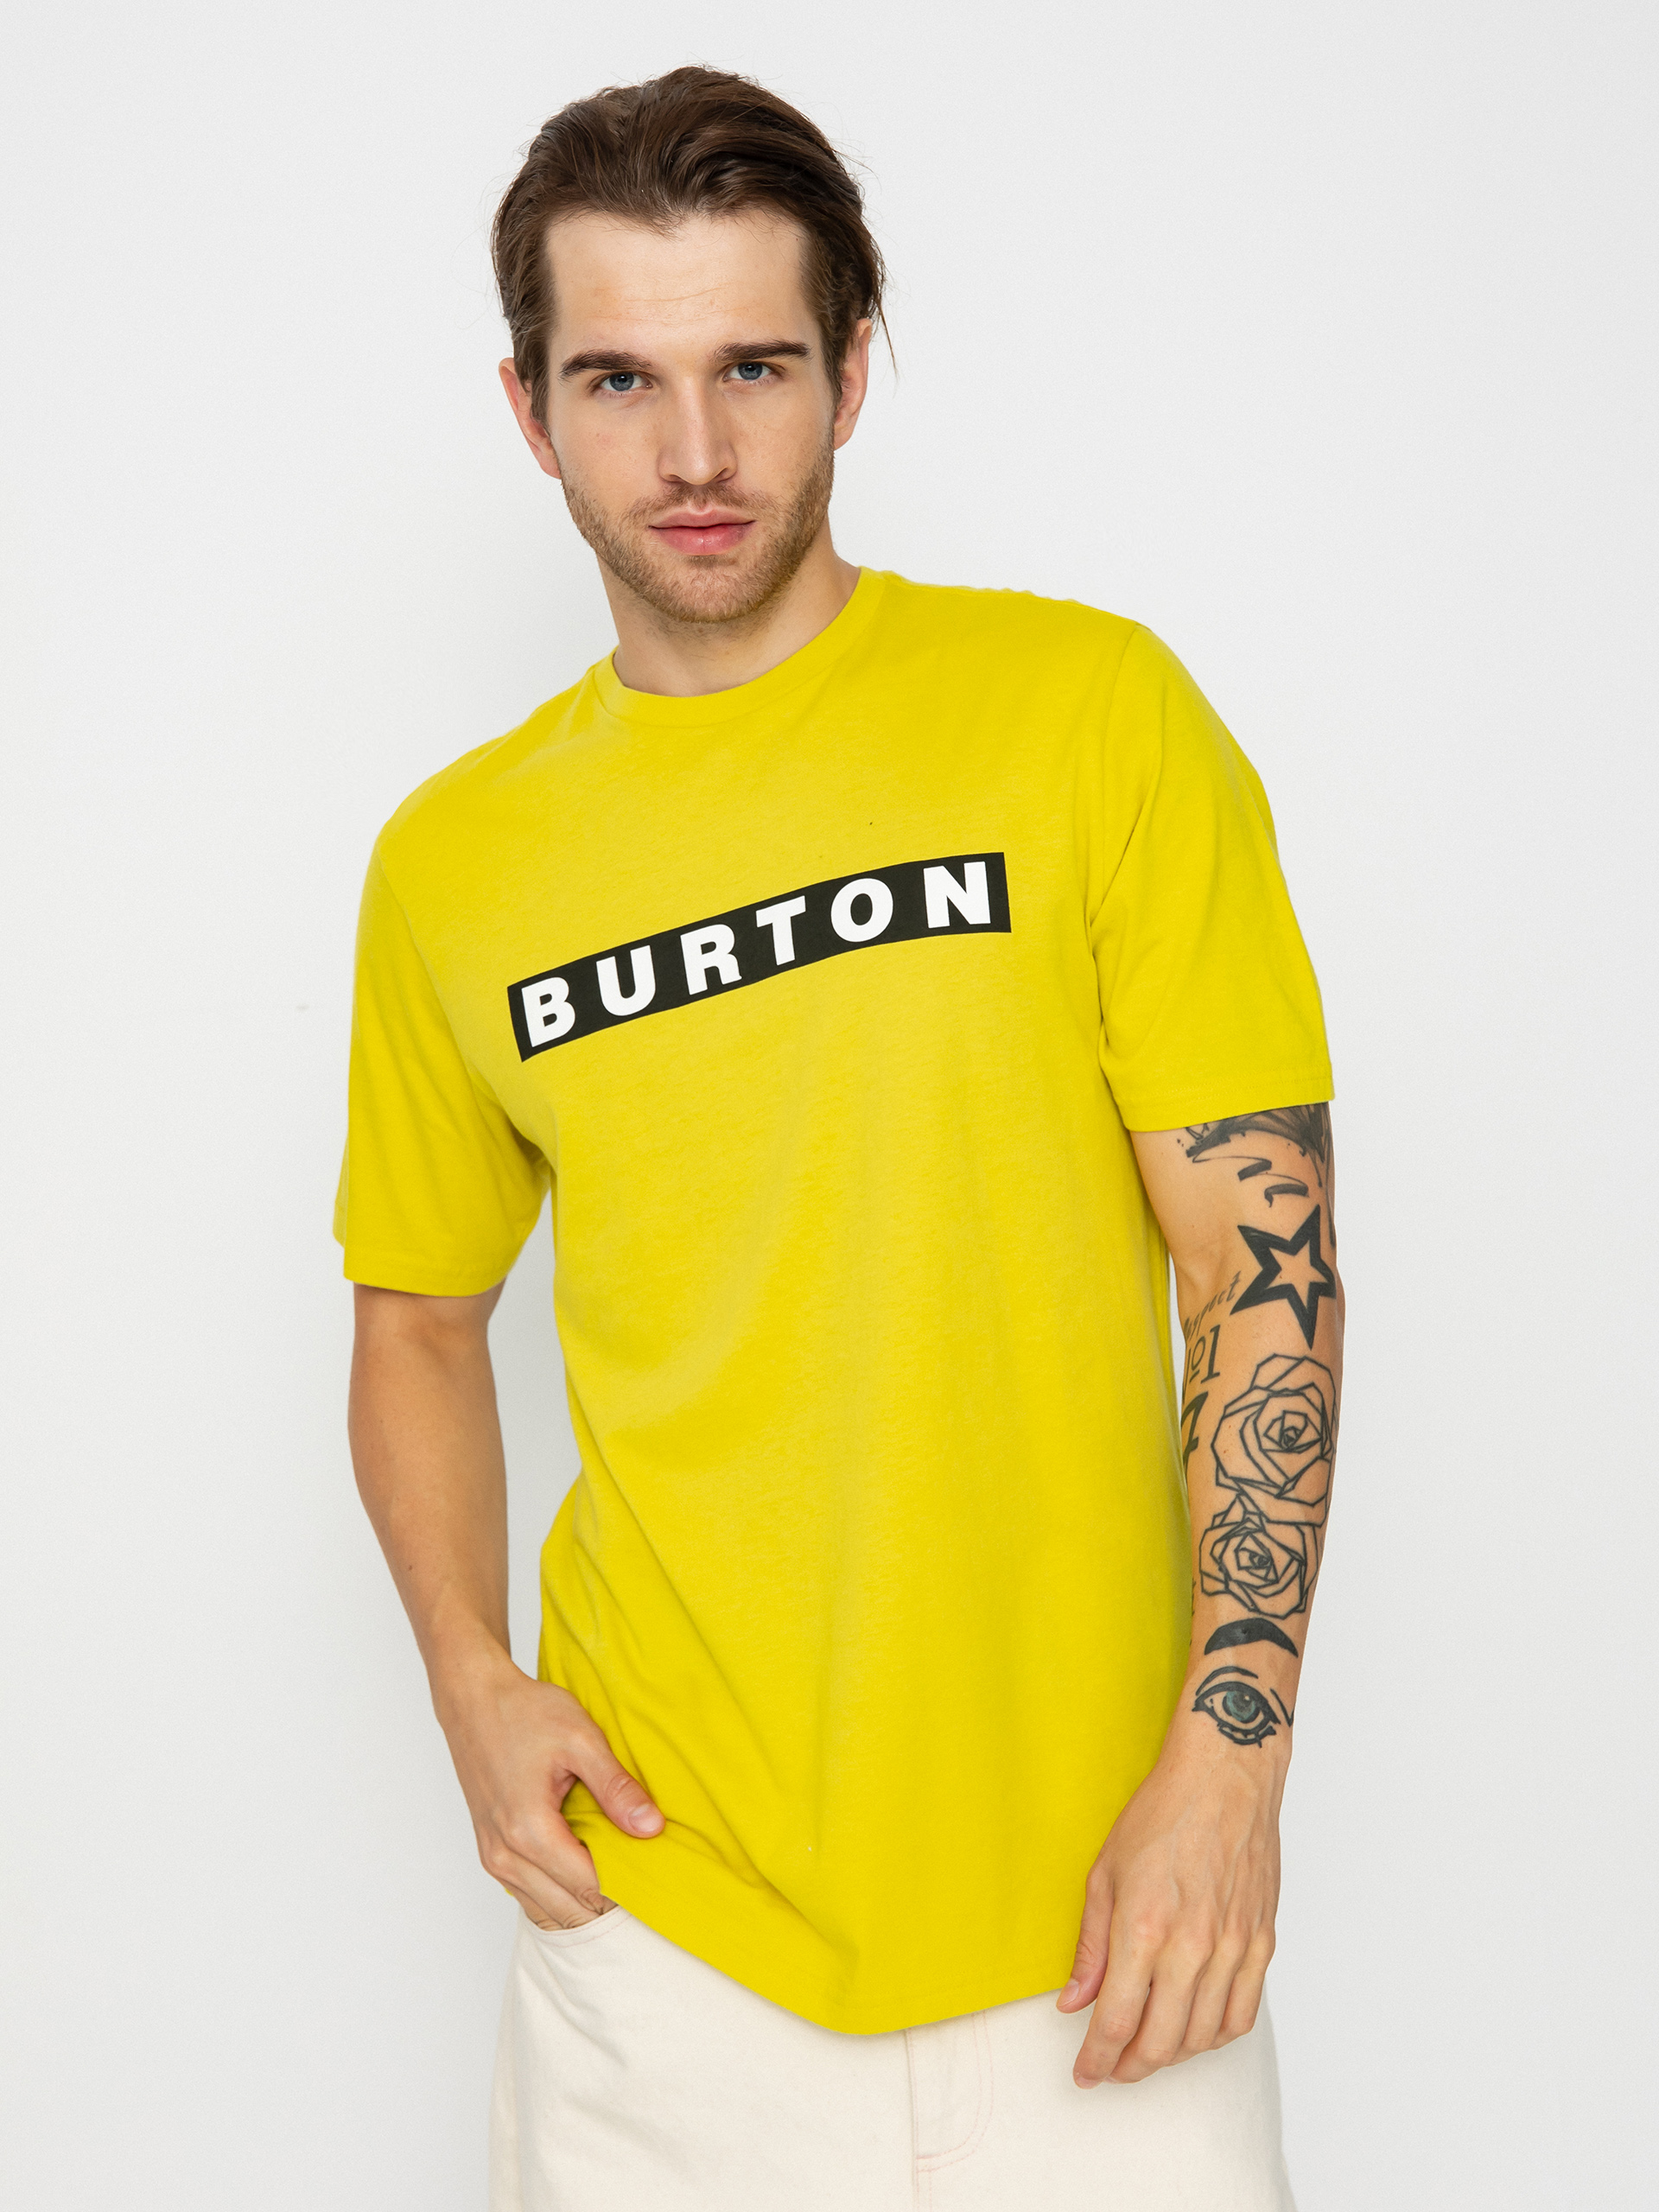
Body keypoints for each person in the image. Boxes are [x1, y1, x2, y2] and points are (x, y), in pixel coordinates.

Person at [338, 64, 1341, 2212]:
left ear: (852, 372)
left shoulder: (1092, 717)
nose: (693, 452)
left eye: (756, 367)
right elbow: (415, 1313)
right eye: (619, 378)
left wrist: (1229, 1769)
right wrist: (470, 1680)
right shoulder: (452, 864)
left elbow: (1258, 1266)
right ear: (530, 410)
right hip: (664, 1937)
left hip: (1107, 1921)